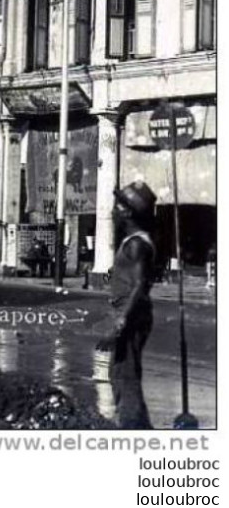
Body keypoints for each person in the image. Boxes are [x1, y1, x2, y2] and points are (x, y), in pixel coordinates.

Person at [97, 180, 157, 429]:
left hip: (131, 317)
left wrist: (119, 325)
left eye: (118, 206)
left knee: (126, 375)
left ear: (129, 212)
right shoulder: (133, 241)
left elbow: (139, 285)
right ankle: (137, 426)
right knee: (120, 372)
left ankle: (133, 431)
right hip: (128, 314)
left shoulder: (136, 244)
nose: (113, 211)